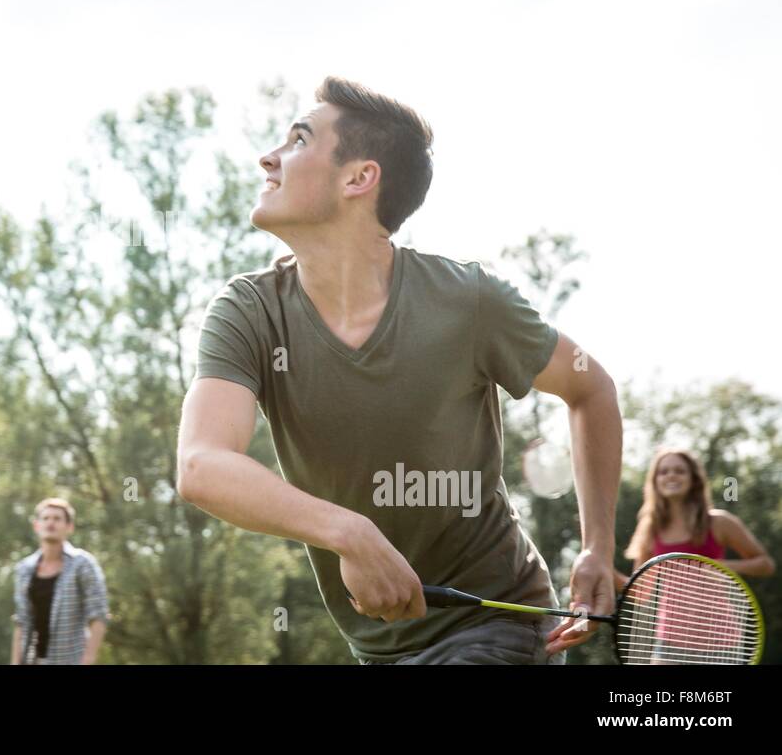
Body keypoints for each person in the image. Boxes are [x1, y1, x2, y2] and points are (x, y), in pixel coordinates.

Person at [177, 77, 624, 664]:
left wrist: (597, 548)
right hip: (377, 651)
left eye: (298, 140)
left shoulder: (469, 300)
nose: (269, 157)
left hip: (497, 627)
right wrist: (347, 531)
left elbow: (590, 387)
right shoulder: (250, 311)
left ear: (359, 178)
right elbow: (202, 465)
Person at [614, 448, 773, 661]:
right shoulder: (650, 530)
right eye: (664, 471)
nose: (671, 475)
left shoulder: (719, 522)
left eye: (679, 471)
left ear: (694, 480)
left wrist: (723, 566)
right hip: (669, 642)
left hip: (720, 642)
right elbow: (640, 593)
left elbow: (765, 564)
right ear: (654, 481)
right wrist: (605, 570)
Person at [11, 498, 109, 665]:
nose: (51, 523)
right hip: (33, 660)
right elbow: (22, 620)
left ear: (69, 527)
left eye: (57, 519)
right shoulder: (24, 569)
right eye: (46, 518)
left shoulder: (82, 564)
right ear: (37, 525)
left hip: (71, 660)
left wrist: (88, 659)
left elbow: (98, 615)